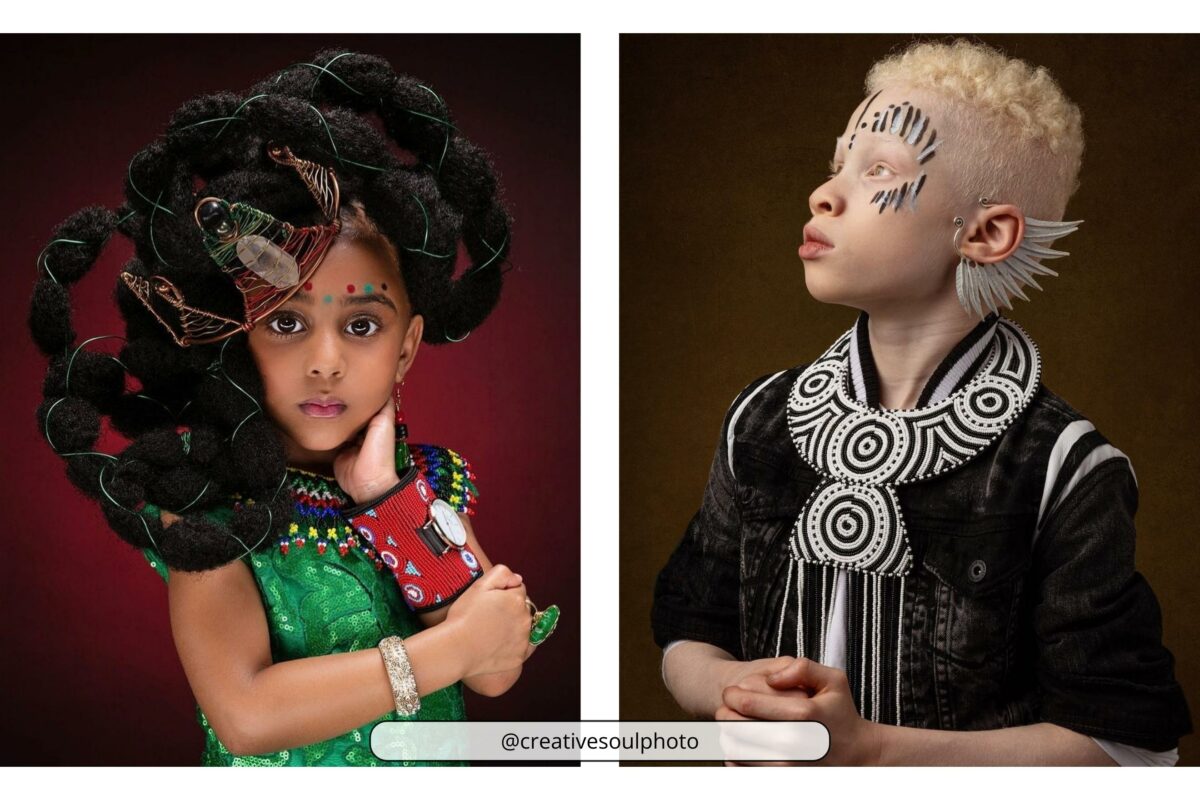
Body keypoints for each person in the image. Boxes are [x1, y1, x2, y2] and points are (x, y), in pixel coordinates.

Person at [651, 39, 1191, 766]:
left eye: (879, 170)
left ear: (986, 232)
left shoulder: (1067, 468)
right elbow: (688, 628)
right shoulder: (759, 421)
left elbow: (1130, 747)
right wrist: (732, 684)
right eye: (838, 163)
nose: (826, 192)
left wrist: (873, 750)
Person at [29, 49, 556, 766]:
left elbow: (497, 669)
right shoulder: (212, 513)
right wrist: (451, 646)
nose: (326, 359)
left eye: (363, 325)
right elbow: (245, 713)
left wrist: (387, 500)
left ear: (406, 348)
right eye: (286, 322)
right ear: (234, 339)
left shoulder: (419, 488)